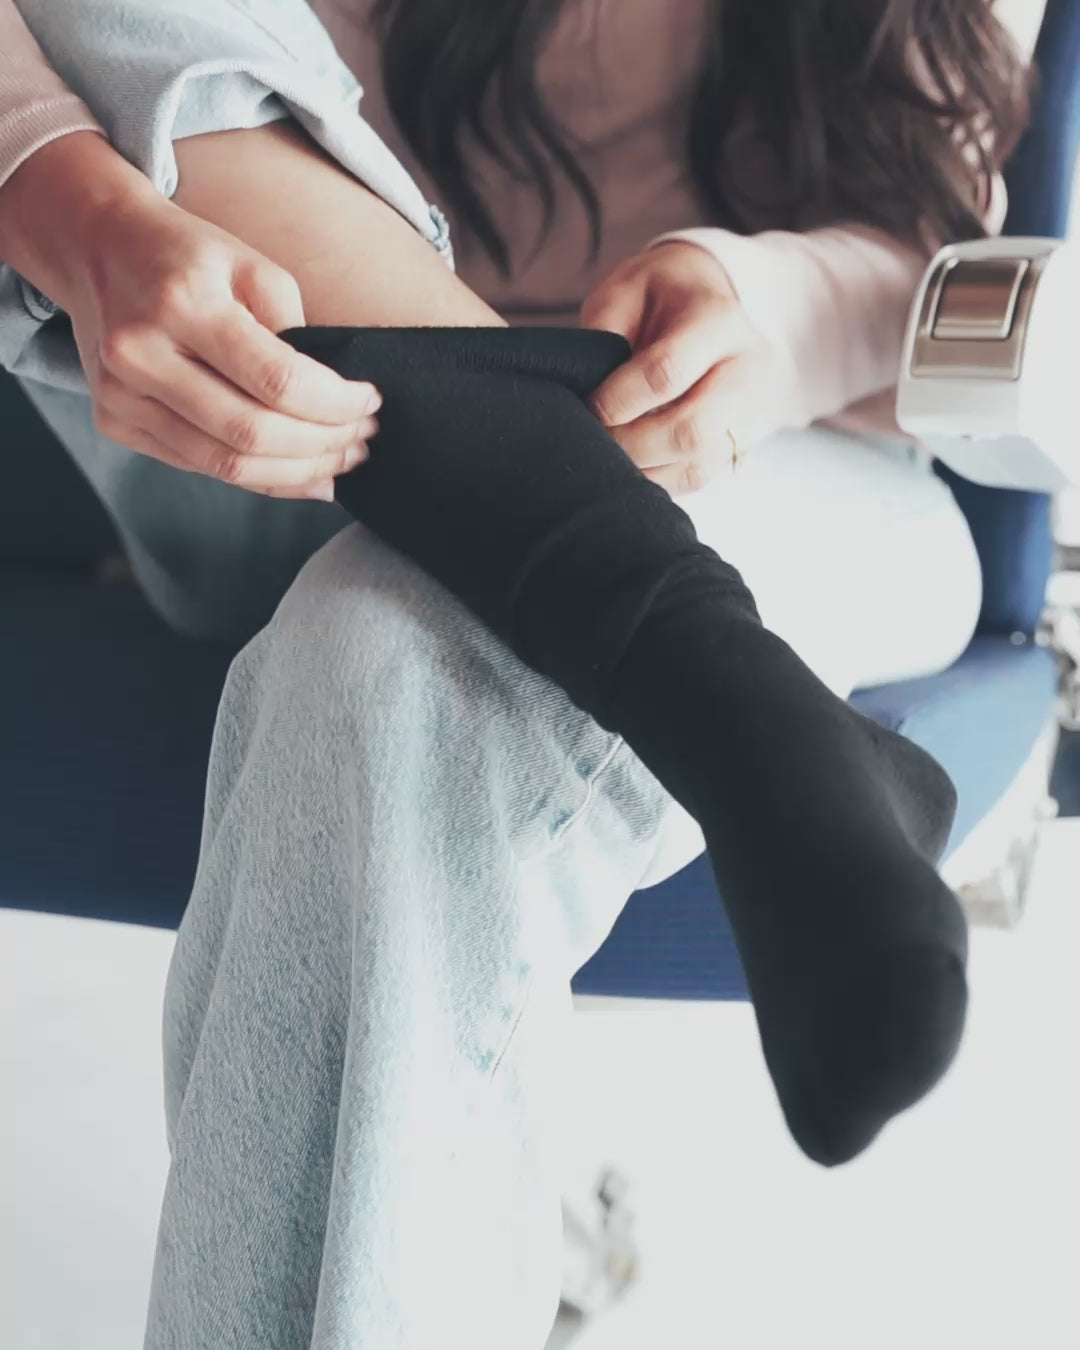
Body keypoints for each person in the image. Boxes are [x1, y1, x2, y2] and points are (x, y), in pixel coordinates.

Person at [0, 1, 1043, 1346]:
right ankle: (720, 680)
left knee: (397, 658)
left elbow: (941, 252)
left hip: (743, 444)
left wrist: (761, 306)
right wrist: (60, 194)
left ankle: (638, 599)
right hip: (278, 411)